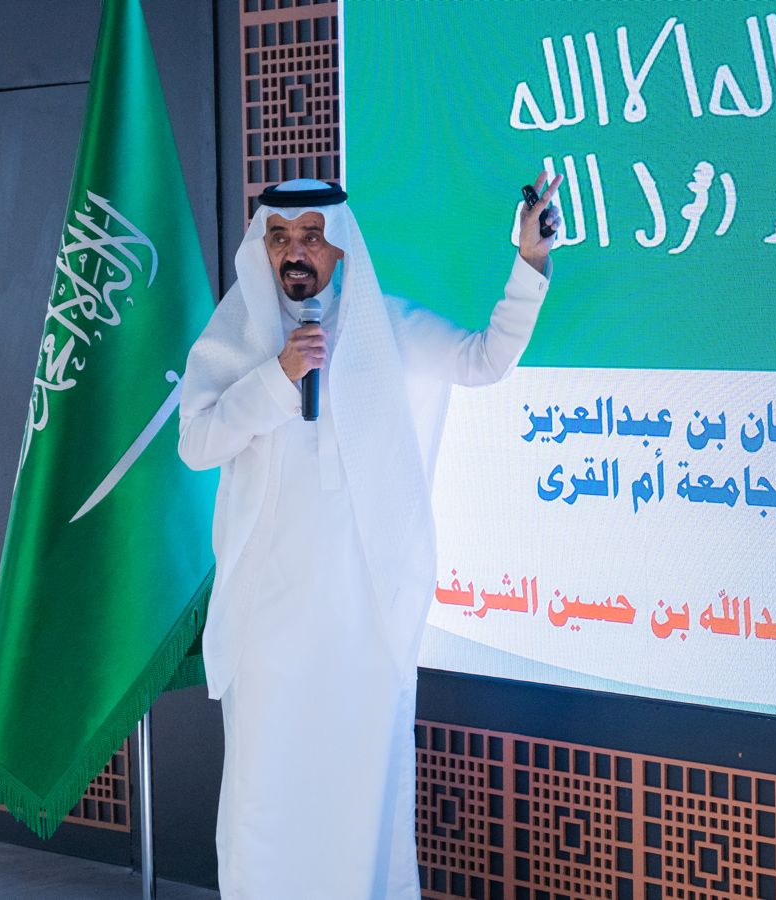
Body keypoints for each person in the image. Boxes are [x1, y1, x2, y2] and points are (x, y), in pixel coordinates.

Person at [177, 174, 562, 898]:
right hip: (268, 628)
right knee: (264, 808)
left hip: (364, 624)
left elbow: (484, 360)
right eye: (280, 237)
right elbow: (197, 444)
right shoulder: (238, 334)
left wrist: (529, 263)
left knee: (360, 805)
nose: (295, 252)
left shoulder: (388, 329)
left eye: (311, 236)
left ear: (341, 248)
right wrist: (278, 376)